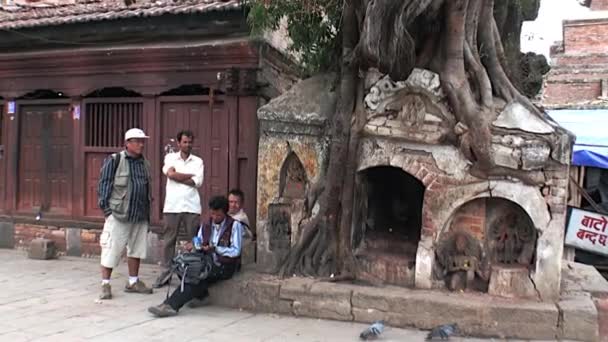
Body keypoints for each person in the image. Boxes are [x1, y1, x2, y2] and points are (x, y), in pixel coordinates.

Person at [147, 195, 243, 317]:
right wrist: (193, 245)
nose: (214, 217)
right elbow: (199, 240)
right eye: (212, 214)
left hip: (225, 264)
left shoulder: (235, 226)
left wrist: (216, 249)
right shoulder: (206, 223)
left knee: (195, 275)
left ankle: (171, 305)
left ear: (225, 213)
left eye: (218, 215)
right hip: (206, 259)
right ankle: (201, 296)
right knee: (183, 265)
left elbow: (236, 251)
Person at [97, 128, 153, 300]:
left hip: (140, 213)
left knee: (136, 250)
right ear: (128, 143)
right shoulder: (116, 160)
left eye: (142, 141)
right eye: (137, 141)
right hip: (119, 213)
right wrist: (107, 210)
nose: (141, 144)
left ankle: (133, 281)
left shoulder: (145, 163)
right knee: (112, 249)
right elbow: (104, 184)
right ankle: (105, 284)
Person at [153, 130, 204, 288]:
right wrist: (187, 176)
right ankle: (166, 273)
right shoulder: (170, 158)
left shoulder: (198, 161)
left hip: (192, 206)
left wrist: (177, 176)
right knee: (169, 241)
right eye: (184, 142)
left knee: (194, 240)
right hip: (172, 206)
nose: (187, 145)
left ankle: (193, 272)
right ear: (178, 143)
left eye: (190, 142)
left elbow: (197, 182)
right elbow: (170, 174)